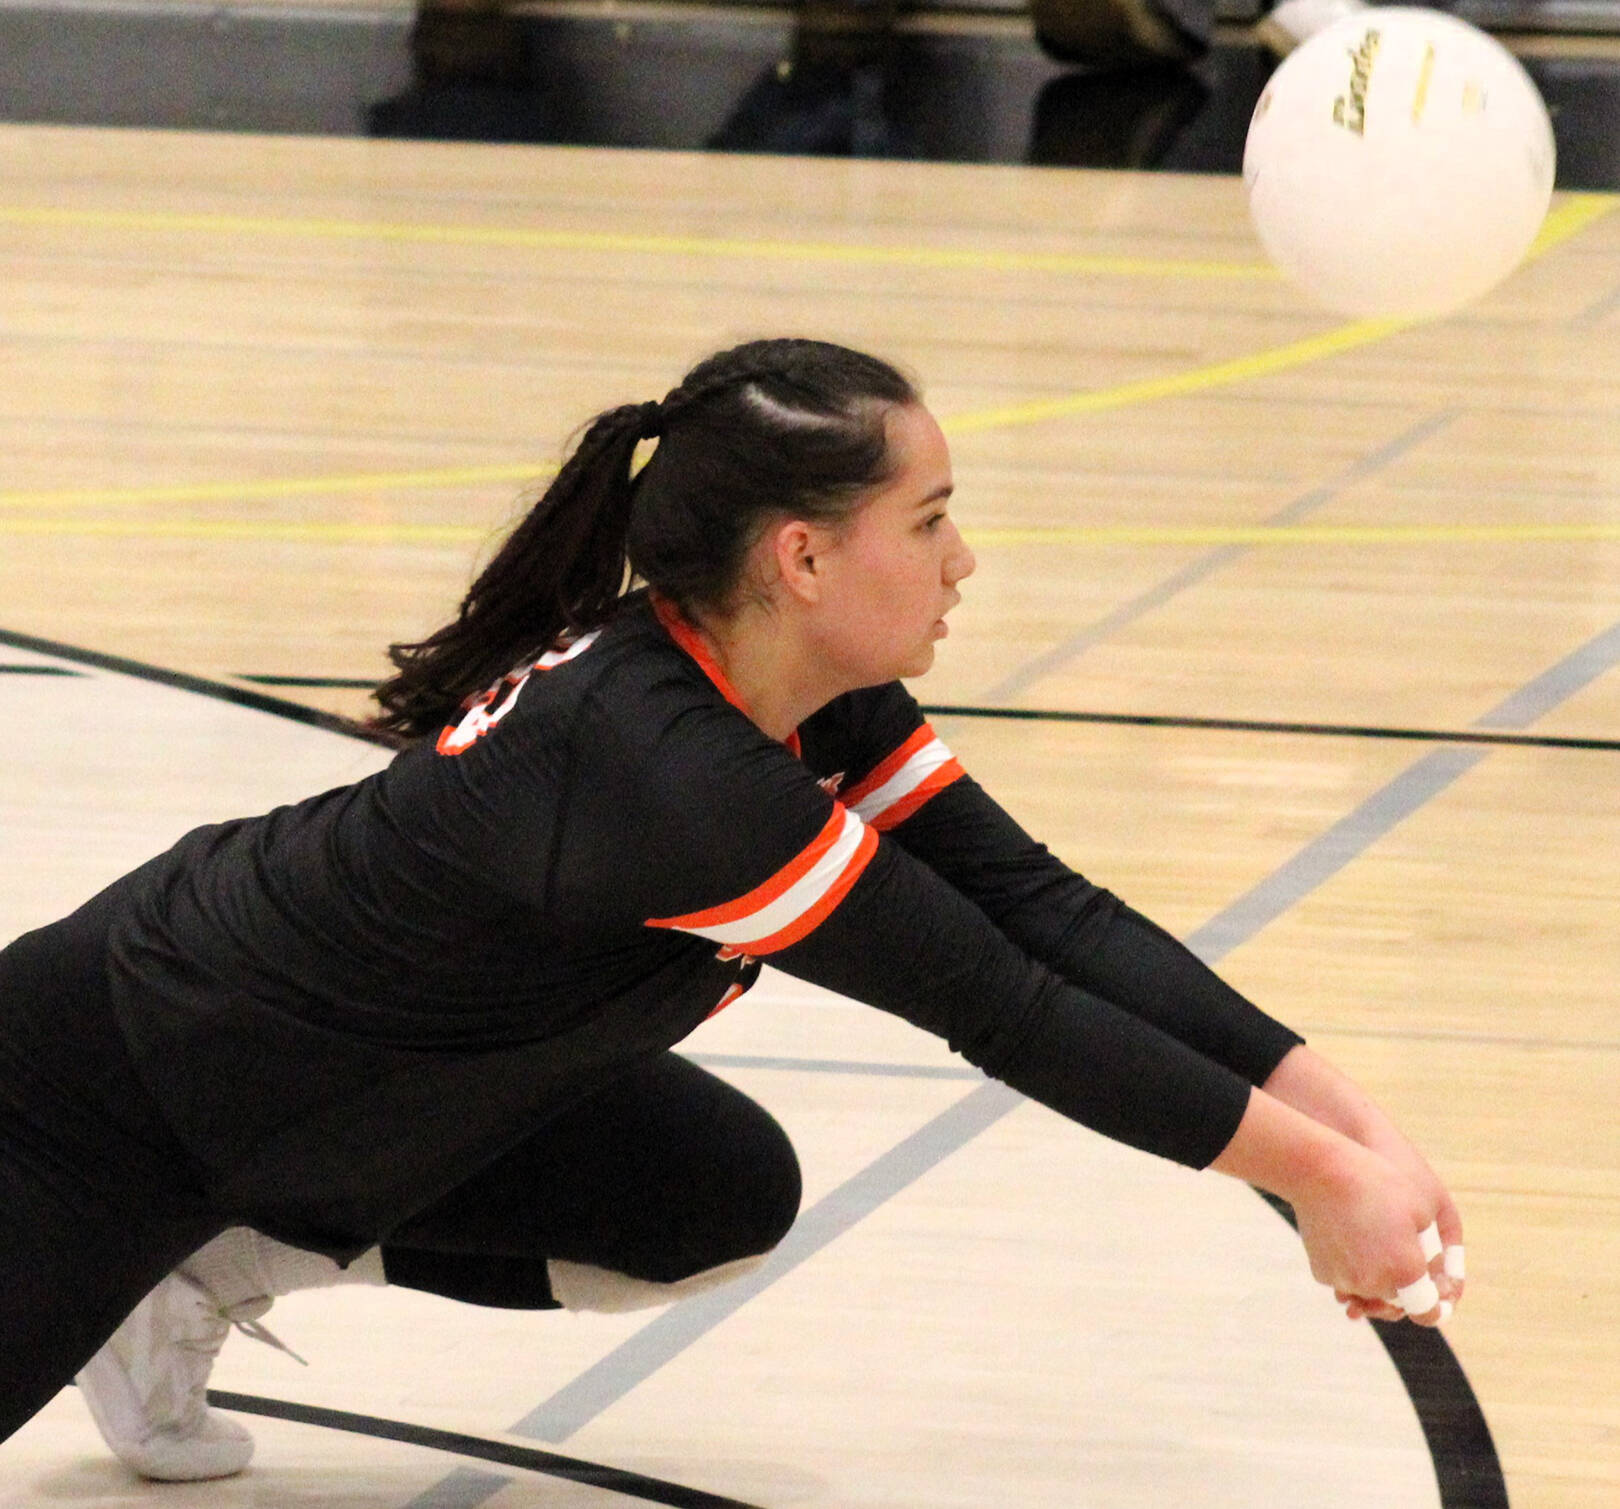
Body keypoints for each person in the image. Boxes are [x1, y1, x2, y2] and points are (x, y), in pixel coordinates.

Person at [0, 337, 1463, 1483]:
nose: (964, 562)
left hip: (317, 1101)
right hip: (92, 1094)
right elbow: (1001, 1005)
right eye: (933, 519)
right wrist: (1315, 1183)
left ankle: (193, 1269)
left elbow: (1043, 914)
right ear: (804, 555)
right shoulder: (674, 777)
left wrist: (1345, 1127)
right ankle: (150, 1250)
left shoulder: (801, 694)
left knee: (708, 1198)